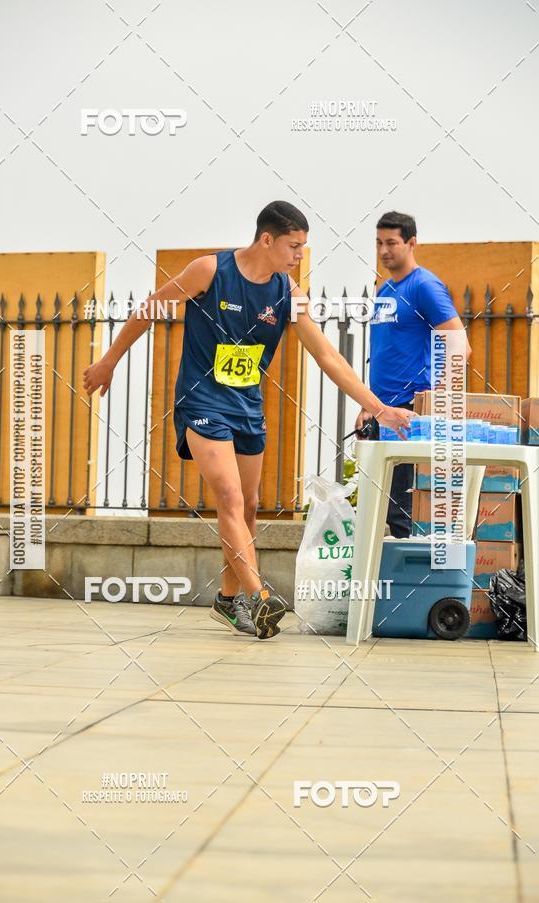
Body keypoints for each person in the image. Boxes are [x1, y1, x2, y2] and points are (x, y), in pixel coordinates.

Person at [83, 200, 414, 640]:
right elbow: (150, 308)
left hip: (246, 408)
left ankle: (226, 598)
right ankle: (259, 597)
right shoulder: (209, 271)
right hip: (201, 403)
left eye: (303, 247)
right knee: (229, 496)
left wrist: (380, 408)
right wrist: (108, 361)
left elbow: (328, 357)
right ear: (267, 239)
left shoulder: (289, 294)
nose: (299, 255)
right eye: (294, 246)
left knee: (250, 506)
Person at [355, 211, 471, 537]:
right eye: (379, 243)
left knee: (403, 512)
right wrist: (368, 404)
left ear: (412, 242)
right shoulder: (384, 290)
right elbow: (383, 351)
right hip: (383, 410)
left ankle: (414, 586)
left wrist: (433, 404)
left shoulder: (424, 287)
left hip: (409, 411)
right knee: (380, 507)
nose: (384, 250)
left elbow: (459, 346)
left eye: (392, 242)